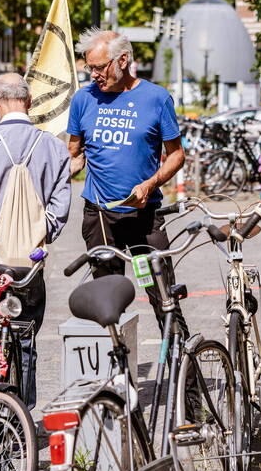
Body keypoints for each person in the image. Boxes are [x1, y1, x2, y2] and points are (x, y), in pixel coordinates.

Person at [0, 73, 71, 411]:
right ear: (29, 102)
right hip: (28, 265)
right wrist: (34, 238)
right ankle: (21, 423)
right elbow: (59, 211)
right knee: (24, 342)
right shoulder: (53, 147)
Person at [67, 28, 188, 332]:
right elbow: (74, 154)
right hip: (100, 217)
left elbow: (176, 155)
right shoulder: (83, 99)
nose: (93, 74)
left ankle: (185, 378)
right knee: (106, 305)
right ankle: (116, 376)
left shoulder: (156, 98)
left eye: (99, 67)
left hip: (144, 218)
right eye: (88, 67)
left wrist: (151, 184)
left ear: (122, 60)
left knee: (164, 299)